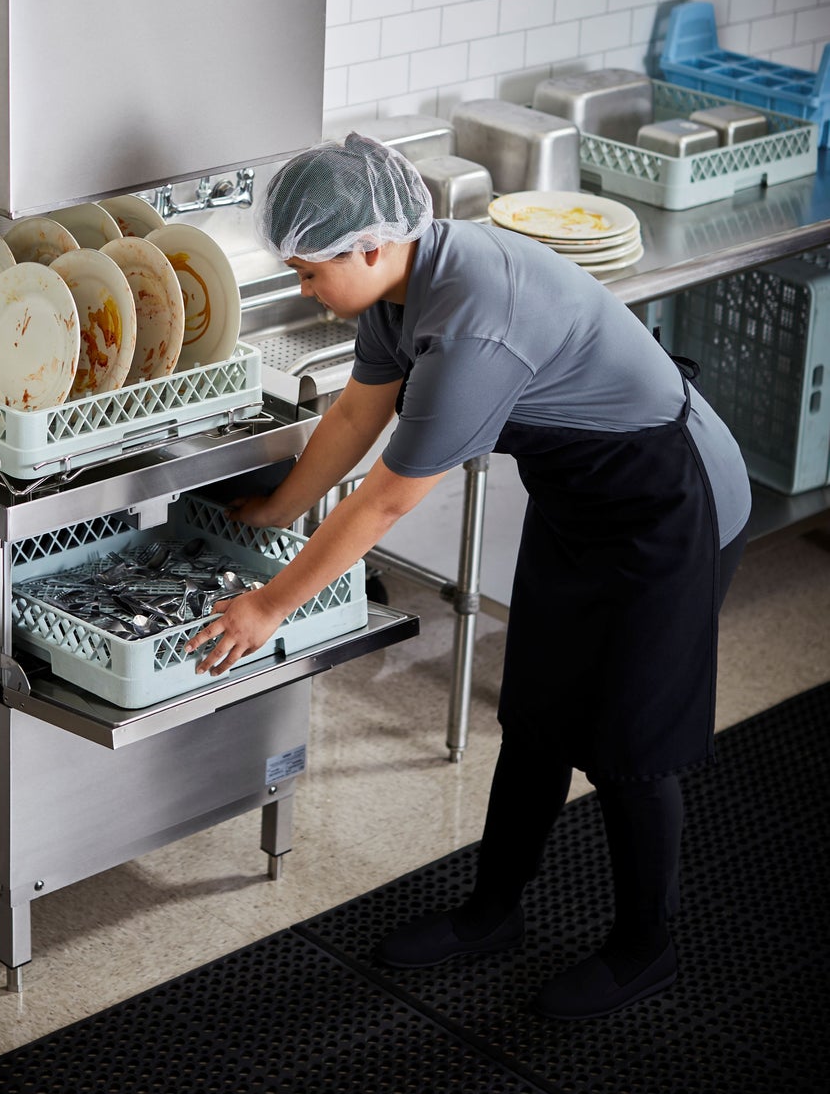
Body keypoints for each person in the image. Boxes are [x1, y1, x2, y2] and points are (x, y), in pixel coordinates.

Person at [188, 132, 750, 1020]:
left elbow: (382, 506)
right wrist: (277, 506)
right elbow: (352, 417)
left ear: (370, 247)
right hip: (585, 505)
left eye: (307, 271)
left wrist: (266, 606)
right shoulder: (396, 290)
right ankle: (493, 912)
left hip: (674, 501)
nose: (304, 288)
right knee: (536, 718)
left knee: (629, 747)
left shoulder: (471, 323)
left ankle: (647, 946)